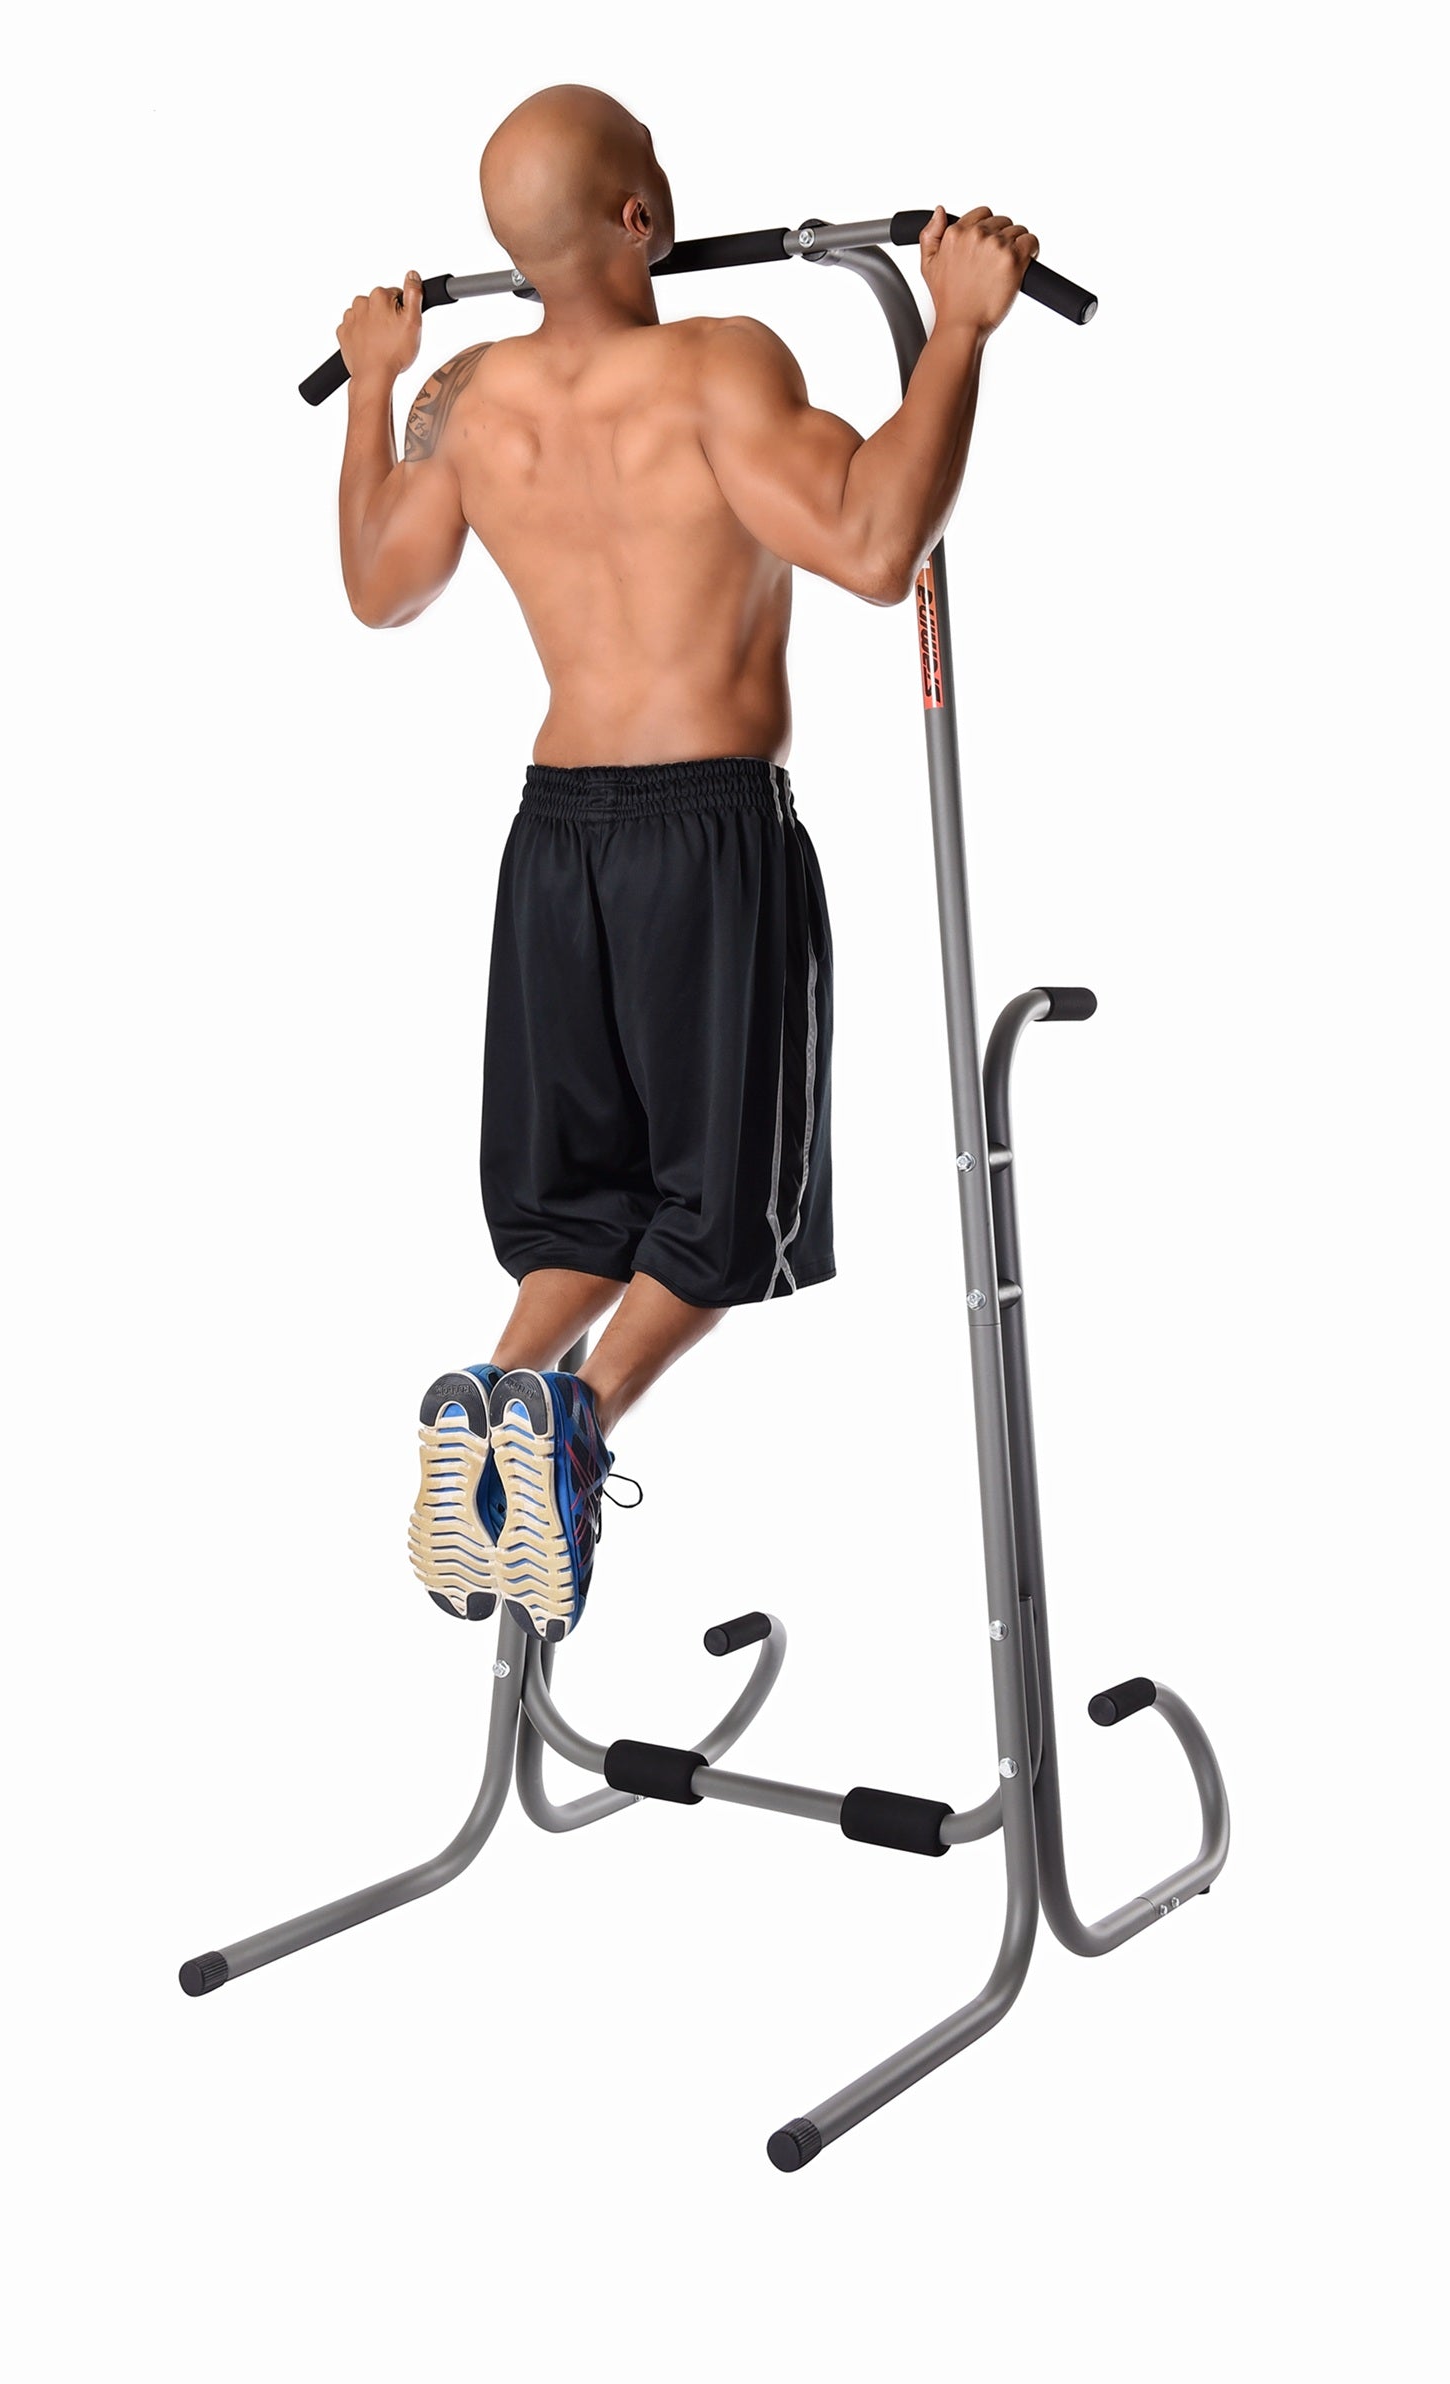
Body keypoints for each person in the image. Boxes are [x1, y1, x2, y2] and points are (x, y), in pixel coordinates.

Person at [334, 85, 1038, 1642]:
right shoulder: (721, 365)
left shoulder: (470, 394)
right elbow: (869, 546)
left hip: (553, 836)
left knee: (581, 1211)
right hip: (707, 831)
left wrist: (372, 387)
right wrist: (958, 330)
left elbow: (381, 589)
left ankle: (496, 1397)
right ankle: (571, 1419)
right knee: (723, 1227)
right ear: (641, 217)